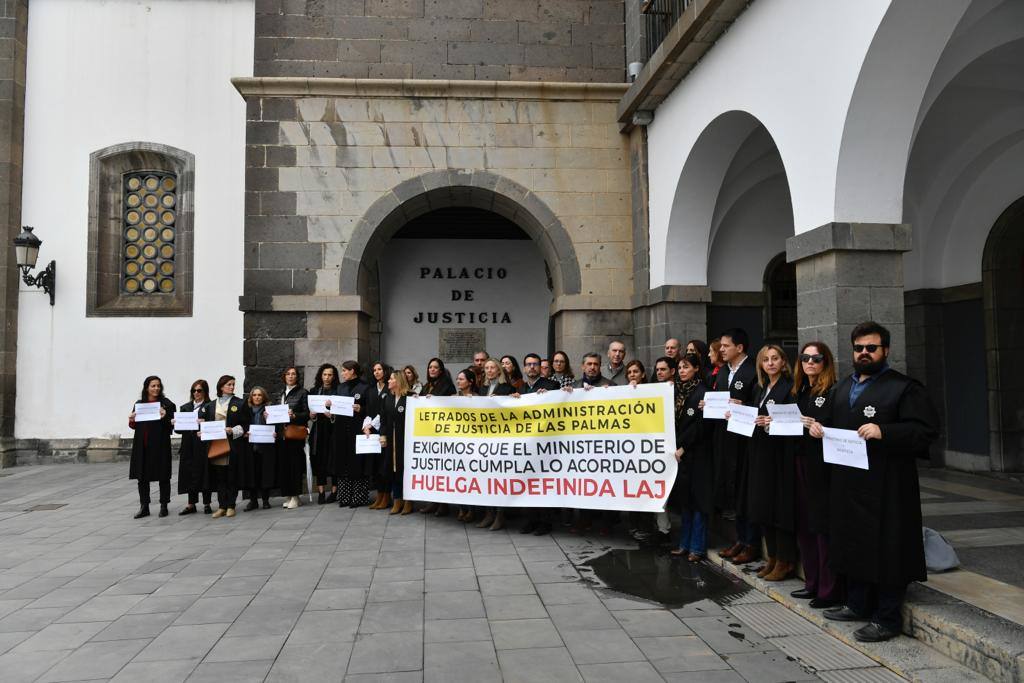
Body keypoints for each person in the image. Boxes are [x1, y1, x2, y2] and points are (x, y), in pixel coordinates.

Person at [811, 321, 939, 643]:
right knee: (854, 543)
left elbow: (926, 431)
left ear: (886, 350)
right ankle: (857, 604)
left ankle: (887, 617)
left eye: (871, 348)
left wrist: (886, 431)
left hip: (888, 487)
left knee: (888, 548)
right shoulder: (842, 387)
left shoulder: (904, 388)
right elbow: (829, 424)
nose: (864, 353)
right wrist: (816, 428)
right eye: (859, 348)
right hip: (848, 483)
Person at [790, 342, 841, 608]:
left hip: (822, 466)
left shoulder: (833, 391)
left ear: (825, 362)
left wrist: (822, 428)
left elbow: (841, 425)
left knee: (821, 525)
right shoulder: (799, 390)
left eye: (816, 358)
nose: (810, 362)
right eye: (805, 358)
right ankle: (811, 582)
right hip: (799, 461)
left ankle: (828, 588)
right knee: (805, 522)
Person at [744, 345, 797, 580]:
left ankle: (785, 560)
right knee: (763, 506)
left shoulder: (790, 388)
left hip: (779, 456)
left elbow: (794, 422)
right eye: (766, 360)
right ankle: (773, 557)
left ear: (784, 362)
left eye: (775, 359)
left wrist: (771, 422)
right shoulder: (761, 388)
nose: (771, 363)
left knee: (779, 508)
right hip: (760, 453)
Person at [711, 328, 758, 559]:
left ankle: (750, 542)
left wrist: (744, 405)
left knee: (745, 490)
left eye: (726, 346)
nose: (721, 349)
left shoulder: (753, 371)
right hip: (726, 436)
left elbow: (760, 403)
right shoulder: (723, 373)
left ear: (739, 348)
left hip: (746, 440)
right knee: (734, 490)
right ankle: (740, 539)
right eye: (720, 346)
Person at [670, 353, 711, 561]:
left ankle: (697, 547)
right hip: (680, 455)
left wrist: (683, 447)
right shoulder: (677, 390)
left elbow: (701, 426)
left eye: (686, 367)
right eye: (679, 367)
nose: (682, 371)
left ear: (696, 368)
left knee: (698, 502)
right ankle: (684, 544)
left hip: (696, 454)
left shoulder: (702, 392)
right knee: (685, 501)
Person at [518, 353, 560, 535]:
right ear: (524, 368)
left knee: (543, 484)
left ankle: (545, 522)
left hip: (545, 444)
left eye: (535, 364)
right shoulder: (521, 387)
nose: (532, 367)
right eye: (529, 364)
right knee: (527, 483)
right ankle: (530, 520)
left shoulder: (552, 386)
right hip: (527, 445)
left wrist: (548, 397)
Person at [128, 375, 176, 519]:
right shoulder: (139, 404)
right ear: (146, 388)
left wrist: (166, 416)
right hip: (142, 446)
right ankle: (144, 506)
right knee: (142, 477)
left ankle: (164, 505)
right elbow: (134, 425)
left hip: (160, 445)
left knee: (163, 475)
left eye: (158, 386)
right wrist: (131, 419)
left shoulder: (167, 404)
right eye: (153, 386)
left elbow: (173, 423)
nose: (156, 388)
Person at [366, 370, 412, 515]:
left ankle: (408, 501)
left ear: (398, 381)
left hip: (406, 440)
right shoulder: (388, 399)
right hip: (391, 441)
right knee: (393, 470)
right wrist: (383, 435)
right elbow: (384, 420)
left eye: (391, 379)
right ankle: (397, 500)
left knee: (405, 470)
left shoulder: (410, 398)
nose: (389, 381)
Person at [206, 375, 250, 518]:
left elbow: (245, 425)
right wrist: (203, 431)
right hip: (216, 444)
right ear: (221, 387)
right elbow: (207, 424)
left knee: (231, 475)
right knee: (220, 477)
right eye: (229, 384)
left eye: (233, 384)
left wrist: (233, 430)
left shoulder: (240, 403)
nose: (231, 387)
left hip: (232, 444)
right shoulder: (211, 405)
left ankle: (231, 505)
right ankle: (221, 506)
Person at [478, 358, 514, 531]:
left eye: (493, 367)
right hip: (485, 440)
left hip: (501, 440)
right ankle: (489, 513)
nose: (489, 370)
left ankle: (500, 515)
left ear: (499, 371)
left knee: (499, 479)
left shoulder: (507, 388)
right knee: (486, 478)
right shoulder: (482, 389)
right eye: (487, 368)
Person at [335, 360, 369, 508]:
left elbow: (371, 408)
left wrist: (360, 409)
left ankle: (358, 497)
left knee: (357, 462)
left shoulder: (365, 387)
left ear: (352, 371)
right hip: (342, 429)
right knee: (343, 461)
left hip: (357, 428)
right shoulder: (340, 387)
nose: (342, 373)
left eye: (344, 370)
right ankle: (344, 496)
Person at [176, 379, 212, 515]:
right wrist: (176, 423)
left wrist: (205, 423)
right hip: (188, 446)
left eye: (199, 390)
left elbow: (214, 425)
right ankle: (191, 504)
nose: (196, 393)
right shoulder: (185, 407)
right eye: (194, 390)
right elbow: (179, 431)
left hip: (202, 445)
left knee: (205, 474)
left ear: (205, 392)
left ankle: (207, 503)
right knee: (189, 474)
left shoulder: (209, 406)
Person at [276, 366, 309, 510]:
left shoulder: (302, 392)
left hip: (295, 433)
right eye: (288, 374)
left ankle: (296, 496)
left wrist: (295, 416)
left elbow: (307, 413)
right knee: (284, 465)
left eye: (293, 374)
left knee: (295, 465)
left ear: (297, 377)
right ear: (284, 376)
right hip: (282, 434)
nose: (290, 376)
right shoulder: (281, 393)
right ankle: (288, 495)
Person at [309, 363, 340, 505]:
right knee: (319, 460)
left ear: (334, 377)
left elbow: (342, 413)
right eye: (325, 374)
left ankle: (334, 492)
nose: (327, 377)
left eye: (330, 375)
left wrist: (332, 415)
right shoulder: (314, 391)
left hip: (333, 431)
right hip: (318, 431)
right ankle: (321, 492)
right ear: (320, 376)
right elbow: (311, 415)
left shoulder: (338, 391)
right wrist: (313, 415)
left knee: (334, 459)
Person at [453, 368, 481, 524]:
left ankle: (472, 509)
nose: (458, 381)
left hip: (472, 444)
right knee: (459, 476)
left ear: (470, 382)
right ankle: (461, 508)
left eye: (462, 379)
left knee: (471, 477)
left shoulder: (478, 398)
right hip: (457, 445)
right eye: (457, 379)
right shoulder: (453, 398)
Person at [242, 386, 276, 511]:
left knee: (265, 473)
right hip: (250, 447)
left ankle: (265, 500)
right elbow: (241, 425)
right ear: (251, 397)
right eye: (254, 395)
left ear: (264, 397)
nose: (257, 397)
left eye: (259, 395)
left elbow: (277, 426)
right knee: (252, 473)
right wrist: (244, 432)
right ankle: (253, 501)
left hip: (265, 447)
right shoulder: (246, 410)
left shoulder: (269, 410)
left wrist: (274, 432)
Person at [367, 361, 394, 510]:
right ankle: (379, 495)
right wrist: (366, 425)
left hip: (384, 430)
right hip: (372, 431)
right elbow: (369, 411)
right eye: (374, 370)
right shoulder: (371, 390)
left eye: (379, 369)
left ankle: (386, 496)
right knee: (376, 464)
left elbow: (383, 412)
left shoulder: (389, 389)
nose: (376, 372)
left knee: (385, 464)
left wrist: (373, 424)